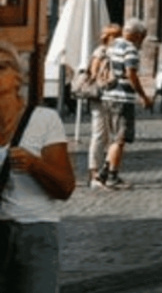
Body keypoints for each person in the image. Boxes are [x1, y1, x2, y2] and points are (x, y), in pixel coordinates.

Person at [1, 39, 76, 291]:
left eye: (1, 67)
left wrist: (35, 165)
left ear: (17, 78)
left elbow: (65, 188)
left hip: (34, 232)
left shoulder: (44, 120)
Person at [99, 19, 154, 189]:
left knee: (114, 137)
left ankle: (104, 172)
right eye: (142, 36)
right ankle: (113, 176)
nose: (142, 40)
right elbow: (131, 74)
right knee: (120, 139)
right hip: (122, 98)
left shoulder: (113, 45)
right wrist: (143, 96)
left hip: (108, 96)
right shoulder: (130, 49)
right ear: (136, 35)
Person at [85, 24, 121, 189]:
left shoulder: (112, 52)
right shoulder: (101, 52)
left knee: (108, 136)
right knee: (99, 134)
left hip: (110, 97)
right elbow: (93, 75)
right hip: (99, 98)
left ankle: (104, 171)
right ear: (110, 38)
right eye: (117, 36)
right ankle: (93, 174)